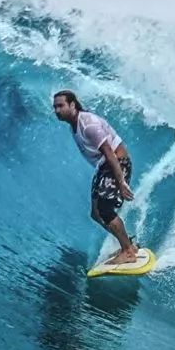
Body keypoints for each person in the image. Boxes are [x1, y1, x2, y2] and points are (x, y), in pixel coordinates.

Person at [52, 90, 143, 266]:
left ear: (72, 105)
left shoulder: (88, 125)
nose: (57, 110)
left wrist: (121, 182)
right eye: (55, 107)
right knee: (95, 213)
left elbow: (109, 153)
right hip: (103, 167)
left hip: (117, 162)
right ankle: (128, 245)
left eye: (60, 105)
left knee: (105, 208)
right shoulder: (74, 123)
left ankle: (128, 252)